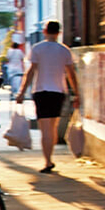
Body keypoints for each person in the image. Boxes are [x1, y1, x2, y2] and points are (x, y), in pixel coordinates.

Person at [19, 20, 79, 173]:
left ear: (45, 31)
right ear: (58, 33)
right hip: (58, 92)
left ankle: (47, 162)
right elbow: (71, 74)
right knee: (53, 127)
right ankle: (50, 158)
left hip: (41, 91)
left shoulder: (37, 49)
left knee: (45, 129)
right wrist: (77, 93)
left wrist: (21, 92)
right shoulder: (64, 50)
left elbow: (31, 72)